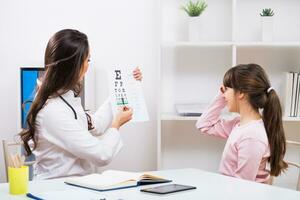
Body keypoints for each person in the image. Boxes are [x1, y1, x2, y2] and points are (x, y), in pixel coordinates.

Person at [20, 29, 143, 180]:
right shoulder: (53, 111)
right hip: (58, 191)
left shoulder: (64, 97)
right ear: (73, 66)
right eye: (87, 60)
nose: (87, 66)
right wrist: (116, 124)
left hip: (76, 186)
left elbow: (94, 125)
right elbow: (101, 155)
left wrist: (126, 87)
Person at [196, 63, 287, 183]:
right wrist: (222, 94)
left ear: (241, 93)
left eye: (226, 89)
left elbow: (243, 186)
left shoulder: (252, 135)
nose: (223, 94)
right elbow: (204, 124)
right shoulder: (238, 125)